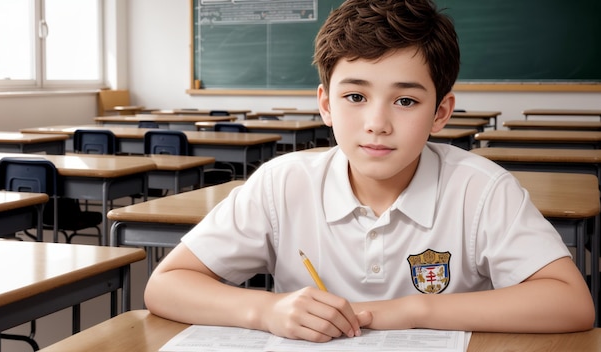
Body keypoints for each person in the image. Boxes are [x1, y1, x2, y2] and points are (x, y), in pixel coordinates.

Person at [145, 0, 595, 342]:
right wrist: (266, 310)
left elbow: (571, 303)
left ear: (441, 112)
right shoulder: (282, 183)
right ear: (325, 103)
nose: (377, 123)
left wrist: (409, 311)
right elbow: (165, 286)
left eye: (405, 101)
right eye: (355, 97)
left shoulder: (481, 189)